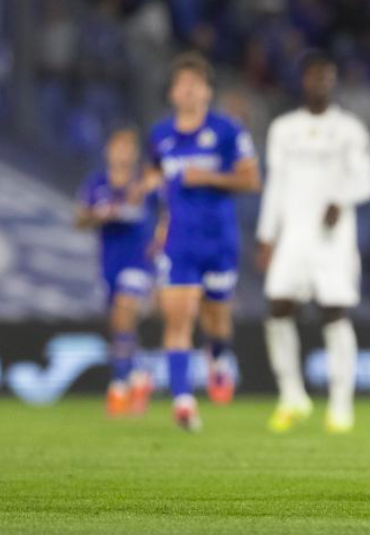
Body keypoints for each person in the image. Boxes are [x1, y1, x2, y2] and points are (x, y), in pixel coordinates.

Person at [256, 51, 370, 434]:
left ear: (333, 81)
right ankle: (292, 395)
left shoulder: (350, 130)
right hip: (293, 233)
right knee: (278, 306)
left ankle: (341, 405)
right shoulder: (283, 129)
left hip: (332, 240)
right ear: (303, 80)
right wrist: (266, 235)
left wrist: (340, 199)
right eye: (313, 76)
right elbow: (275, 185)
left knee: (334, 311)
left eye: (326, 77)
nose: (319, 83)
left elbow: (367, 181)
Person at [147, 52, 261, 431]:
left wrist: (209, 177)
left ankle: (218, 353)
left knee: (216, 317)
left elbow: (251, 180)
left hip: (219, 240)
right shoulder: (160, 135)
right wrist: (157, 221)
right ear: (172, 92)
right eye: (182, 84)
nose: (188, 90)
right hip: (179, 240)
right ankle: (183, 401)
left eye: (196, 84)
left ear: (208, 91)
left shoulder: (228, 131)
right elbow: (156, 179)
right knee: (179, 317)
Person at [75, 129, 158, 417]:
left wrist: (161, 238)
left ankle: (119, 386)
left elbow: (169, 210)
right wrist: (95, 215)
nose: (122, 153)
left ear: (134, 153)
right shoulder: (96, 183)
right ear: (108, 151)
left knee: (124, 312)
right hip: (109, 263)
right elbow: (79, 219)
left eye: (127, 148)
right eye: (117, 147)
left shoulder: (145, 183)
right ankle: (139, 375)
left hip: (139, 262)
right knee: (120, 325)